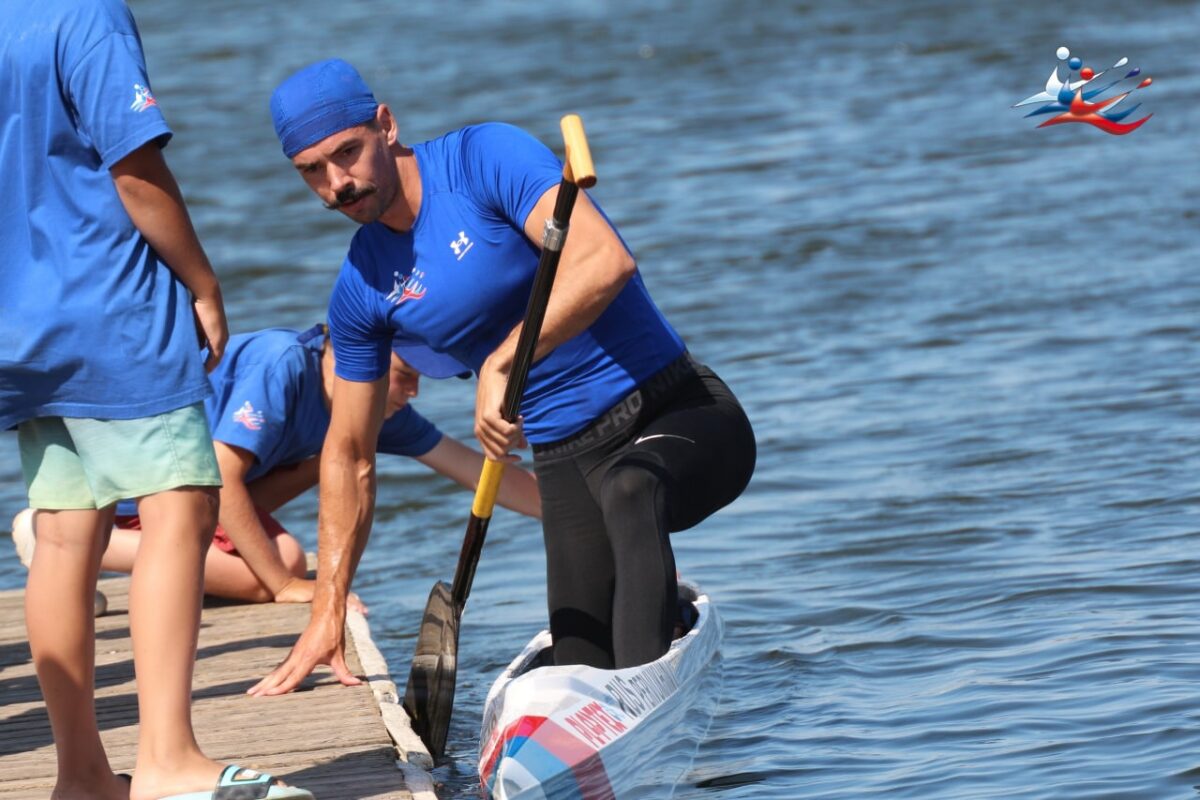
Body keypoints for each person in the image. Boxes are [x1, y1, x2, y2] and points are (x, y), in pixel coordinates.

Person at [249, 59, 755, 697]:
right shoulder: (361, 290)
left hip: (675, 412)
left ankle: (645, 698)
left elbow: (604, 260)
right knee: (578, 659)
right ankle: (631, 670)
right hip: (568, 463)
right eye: (311, 173)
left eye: (346, 154)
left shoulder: (482, 159)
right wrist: (327, 609)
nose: (336, 184)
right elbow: (348, 456)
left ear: (386, 125)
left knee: (631, 491)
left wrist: (502, 360)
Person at [0, 2, 311, 798]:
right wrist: (203, 282)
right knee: (181, 506)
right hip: (110, 305)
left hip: (18, 319)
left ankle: (82, 776)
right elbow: (135, 171)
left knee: (66, 536)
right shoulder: (86, 15)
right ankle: (170, 762)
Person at [11, 324, 541, 605]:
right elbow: (221, 470)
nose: (412, 391)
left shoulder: (376, 408)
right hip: (144, 488)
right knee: (276, 575)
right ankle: (69, 541)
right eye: (403, 373)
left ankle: (83, 567)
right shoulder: (283, 366)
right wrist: (284, 591)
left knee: (287, 555)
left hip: (207, 497)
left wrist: (568, 510)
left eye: (421, 378)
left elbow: (470, 468)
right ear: (349, 351)